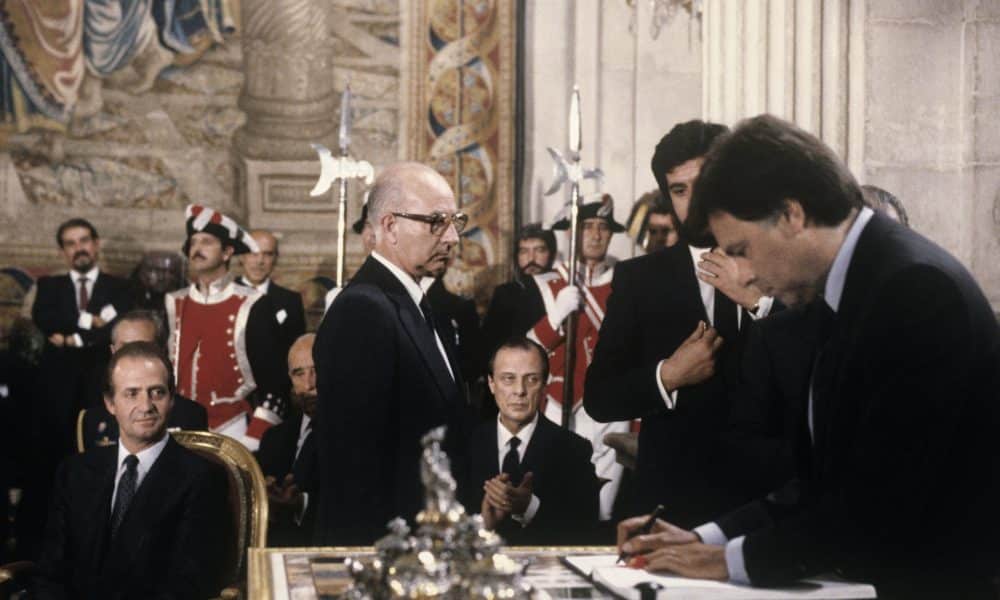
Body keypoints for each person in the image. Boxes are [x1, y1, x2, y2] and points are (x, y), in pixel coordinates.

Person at [618, 114, 1000, 600]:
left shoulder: (913, 289)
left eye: (741, 249)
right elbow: (819, 487)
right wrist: (704, 539)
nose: (743, 274)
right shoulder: (852, 284)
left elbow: (880, 504)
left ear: (791, 215)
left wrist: (728, 561)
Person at [584, 120, 776, 528]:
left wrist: (760, 304)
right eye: (679, 190)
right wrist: (667, 376)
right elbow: (600, 397)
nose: (695, 201)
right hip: (675, 506)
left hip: (769, 502)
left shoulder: (777, 265)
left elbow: (817, 366)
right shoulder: (640, 279)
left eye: (704, 183)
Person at [313, 162, 470, 545]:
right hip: (387, 550)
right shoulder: (362, 310)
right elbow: (355, 465)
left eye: (455, 221)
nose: (452, 237)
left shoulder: (417, 304)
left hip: (429, 541)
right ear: (389, 226)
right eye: (436, 222)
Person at [34, 341, 230, 598]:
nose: (146, 406)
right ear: (110, 403)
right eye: (132, 393)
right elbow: (51, 572)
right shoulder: (74, 472)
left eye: (157, 392)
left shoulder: (204, 478)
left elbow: (188, 586)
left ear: (172, 399)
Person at [526, 195, 632, 522]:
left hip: (613, 405)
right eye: (587, 227)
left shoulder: (627, 280)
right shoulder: (547, 284)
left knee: (604, 507)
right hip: (561, 401)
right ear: (572, 232)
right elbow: (524, 353)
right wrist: (555, 318)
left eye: (603, 228)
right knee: (557, 498)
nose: (596, 235)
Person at [166, 205, 288, 450]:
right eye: (193, 242)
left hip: (233, 430)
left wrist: (254, 437)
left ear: (227, 252)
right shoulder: (175, 302)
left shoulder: (253, 304)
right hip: (178, 431)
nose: (197, 249)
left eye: (207, 242)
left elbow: (276, 382)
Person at [464, 338, 600, 545]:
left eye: (531, 379)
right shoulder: (464, 445)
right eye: (508, 379)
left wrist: (529, 508)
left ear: (544, 385)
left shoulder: (574, 450)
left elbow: (585, 532)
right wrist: (484, 528)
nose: (519, 390)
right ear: (491, 384)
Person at [32, 218, 132, 455]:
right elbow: (45, 319)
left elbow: (118, 327)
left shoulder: (121, 287)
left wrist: (72, 339)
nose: (79, 248)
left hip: (103, 378)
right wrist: (89, 321)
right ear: (62, 252)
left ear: (96, 244)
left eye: (84, 241)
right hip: (57, 383)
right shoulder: (49, 286)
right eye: (71, 244)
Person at [80, 310, 208, 449]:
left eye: (144, 348)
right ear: (113, 351)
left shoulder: (190, 415)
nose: (135, 357)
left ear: (162, 350)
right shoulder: (92, 420)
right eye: (125, 348)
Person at [257, 334, 319, 547]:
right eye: (299, 374)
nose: (309, 384)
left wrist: (302, 504)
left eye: (316, 370)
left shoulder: (354, 434)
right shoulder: (273, 438)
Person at [480, 223, 555, 366]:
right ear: (517, 256)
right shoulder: (505, 294)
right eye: (524, 251)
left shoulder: (562, 290)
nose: (531, 258)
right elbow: (489, 346)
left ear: (551, 254)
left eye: (539, 250)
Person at [237, 230, 307, 366]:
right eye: (253, 253)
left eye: (267, 254)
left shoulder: (290, 301)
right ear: (242, 256)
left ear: (276, 258)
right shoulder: (223, 294)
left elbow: (296, 354)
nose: (260, 261)